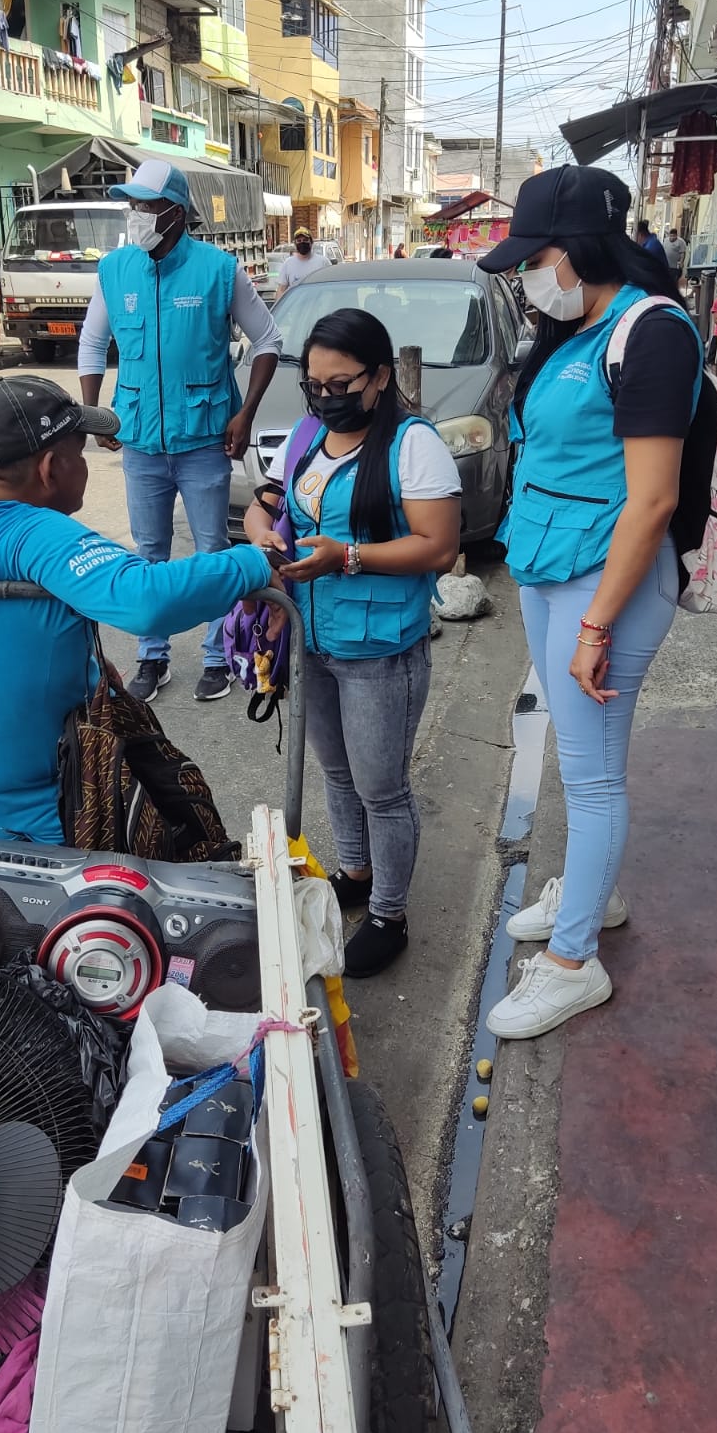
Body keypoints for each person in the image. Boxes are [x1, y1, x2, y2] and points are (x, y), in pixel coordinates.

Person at [478, 164, 713, 1038]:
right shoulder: (570, 329)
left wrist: (596, 624)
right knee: (580, 754)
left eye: (534, 258)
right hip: (549, 563)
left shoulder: (653, 334)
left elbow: (651, 501)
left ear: (580, 248)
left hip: (608, 581)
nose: (526, 276)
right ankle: (591, 891)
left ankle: (574, 963)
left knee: (593, 771)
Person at [0, 376, 275, 844]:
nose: (84, 466)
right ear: (50, 468)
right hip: (45, 812)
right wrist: (253, 563)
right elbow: (145, 600)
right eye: (80, 454)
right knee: (188, 836)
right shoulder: (31, 531)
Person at [243, 308, 461, 978]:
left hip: (379, 649)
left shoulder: (412, 445)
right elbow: (267, 501)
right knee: (337, 774)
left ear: (381, 377)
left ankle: (390, 915)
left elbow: (439, 546)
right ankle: (356, 872)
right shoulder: (308, 436)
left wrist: (347, 557)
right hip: (311, 638)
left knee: (381, 788)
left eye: (342, 384)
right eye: (314, 384)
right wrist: (261, 532)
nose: (326, 396)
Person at [77, 159, 283, 705]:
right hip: (141, 440)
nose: (136, 214)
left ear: (174, 211)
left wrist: (246, 413)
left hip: (204, 438)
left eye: (146, 205)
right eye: (132, 205)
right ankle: (153, 655)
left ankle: (216, 657)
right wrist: (91, 411)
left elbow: (268, 340)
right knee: (148, 552)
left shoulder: (219, 270)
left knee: (211, 550)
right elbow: (93, 343)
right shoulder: (115, 269)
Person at [275, 228, 327, 300]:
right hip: (296, 306)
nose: (302, 243)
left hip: (318, 305)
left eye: (305, 240)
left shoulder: (323, 262)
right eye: (299, 241)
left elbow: (331, 288)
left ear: (311, 242)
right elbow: (281, 289)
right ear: (295, 244)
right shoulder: (288, 263)